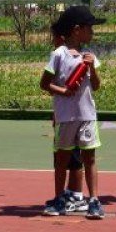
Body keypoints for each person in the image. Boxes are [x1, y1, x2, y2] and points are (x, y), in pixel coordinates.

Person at [39, 5, 104, 220]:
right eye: (90, 28)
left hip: (87, 116)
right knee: (62, 159)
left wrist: (92, 67)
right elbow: (45, 84)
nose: (92, 33)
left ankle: (94, 200)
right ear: (77, 30)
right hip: (66, 117)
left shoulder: (89, 56)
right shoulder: (59, 54)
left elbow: (96, 86)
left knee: (90, 157)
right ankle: (59, 199)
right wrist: (64, 91)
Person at [43, 21, 86, 212]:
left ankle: (76, 194)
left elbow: (52, 86)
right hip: (63, 115)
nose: (52, 41)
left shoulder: (64, 54)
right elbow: (50, 86)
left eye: (53, 37)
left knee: (73, 155)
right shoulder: (60, 57)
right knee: (64, 155)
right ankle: (68, 193)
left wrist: (63, 91)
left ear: (61, 38)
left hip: (73, 116)